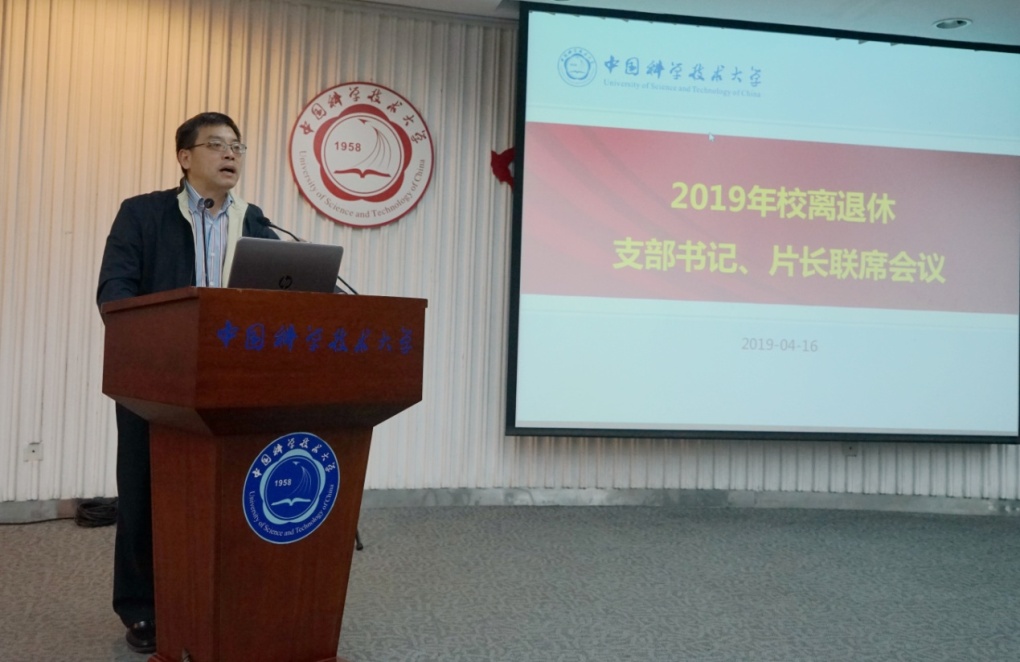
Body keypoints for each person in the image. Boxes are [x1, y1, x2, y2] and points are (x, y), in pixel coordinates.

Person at [96, 112, 278, 654]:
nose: (230, 155)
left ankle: (228, 600)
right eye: (217, 145)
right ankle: (143, 609)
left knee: (231, 496)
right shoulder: (143, 214)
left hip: (234, 383)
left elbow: (284, 295)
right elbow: (115, 291)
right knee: (146, 494)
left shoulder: (254, 220)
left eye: (237, 146)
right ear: (184, 157)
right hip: (157, 381)